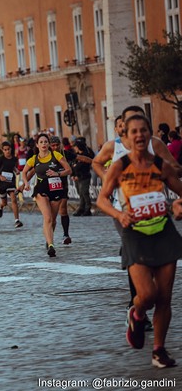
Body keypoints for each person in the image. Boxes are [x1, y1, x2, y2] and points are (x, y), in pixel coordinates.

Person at [96, 114, 182, 368]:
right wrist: (119, 214)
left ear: (150, 134)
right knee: (147, 294)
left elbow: (180, 191)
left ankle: (159, 350)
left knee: (165, 297)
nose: (139, 135)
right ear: (128, 136)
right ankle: (137, 313)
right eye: (134, 131)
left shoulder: (161, 165)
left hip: (164, 232)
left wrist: (178, 204)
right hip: (135, 234)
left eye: (144, 130)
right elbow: (102, 198)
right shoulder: (119, 166)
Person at [22, 133, 72, 257]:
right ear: (37, 145)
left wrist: (57, 174)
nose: (44, 144)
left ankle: (48, 239)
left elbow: (69, 170)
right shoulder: (34, 159)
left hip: (55, 188)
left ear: (48, 144)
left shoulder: (56, 155)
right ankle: (51, 245)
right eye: (41, 142)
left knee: (53, 220)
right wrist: (25, 183)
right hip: (41, 188)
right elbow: (24, 172)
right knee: (48, 218)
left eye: (45, 142)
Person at [49, 136, 74, 244]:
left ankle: (66, 235)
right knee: (51, 215)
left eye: (57, 145)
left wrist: (96, 163)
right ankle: (49, 238)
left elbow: (80, 157)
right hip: (49, 186)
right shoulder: (46, 155)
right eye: (53, 145)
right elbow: (33, 168)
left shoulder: (65, 154)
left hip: (62, 185)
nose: (55, 147)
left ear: (60, 145)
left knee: (63, 209)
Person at [0, 142, 23, 227]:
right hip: (2, 184)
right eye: (5, 150)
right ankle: (0, 206)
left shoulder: (14, 159)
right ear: (2, 150)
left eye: (8, 149)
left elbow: (12, 166)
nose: (7, 151)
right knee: (4, 203)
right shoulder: (0, 159)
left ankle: (17, 220)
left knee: (14, 199)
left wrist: (16, 170)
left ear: (11, 149)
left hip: (11, 182)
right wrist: (0, 176)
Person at [71, 138, 95, 216]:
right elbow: (73, 165)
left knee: (84, 193)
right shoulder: (77, 155)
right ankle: (81, 208)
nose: (75, 148)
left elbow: (79, 166)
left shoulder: (86, 154)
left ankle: (87, 208)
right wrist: (73, 174)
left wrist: (75, 167)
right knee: (80, 193)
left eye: (76, 146)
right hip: (78, 176)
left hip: (84, 176)